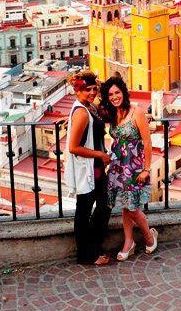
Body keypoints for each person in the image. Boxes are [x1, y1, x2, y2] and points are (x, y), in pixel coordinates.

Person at [98, 74, 158, 261]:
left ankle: (149, 236)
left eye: (117, 92)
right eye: (110, 94)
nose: (114, 97)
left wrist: (146, 169)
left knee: (131, 206)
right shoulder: (112, 114)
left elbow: (147, 142)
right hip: (117, 165)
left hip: (133, 166)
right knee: (125, 205)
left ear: (123, 92)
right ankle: (129, 242)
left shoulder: (136, 112)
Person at [65, 70, 112, 265]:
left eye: (94, 89)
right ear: (77, 91)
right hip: (89, 170)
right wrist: (100, 154)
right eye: (87, 90)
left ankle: (93, 247)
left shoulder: (89, 107)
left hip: (96, 169)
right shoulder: (83, 113)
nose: (92, 92)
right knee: (84, 211)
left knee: (104, 205)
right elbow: (73, 147)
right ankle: (86, 255)